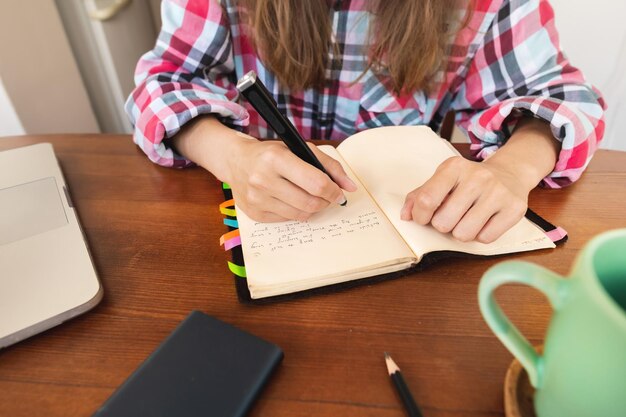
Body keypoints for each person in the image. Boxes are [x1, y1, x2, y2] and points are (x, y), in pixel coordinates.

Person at [126, 0, 605, 243]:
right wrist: (232, 155)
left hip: (412, 235)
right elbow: (161, 84)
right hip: (269, 228)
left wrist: (511, 170)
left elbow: (566, 101)